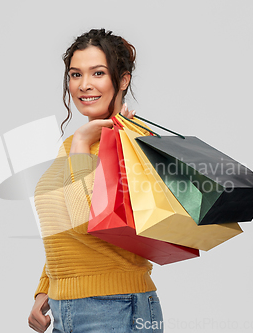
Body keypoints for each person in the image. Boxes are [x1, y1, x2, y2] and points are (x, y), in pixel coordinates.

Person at [28, 28, 164, 333]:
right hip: (68, 309)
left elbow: (86, 221)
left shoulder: (133, 141)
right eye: (75, 74)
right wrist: (46, 287)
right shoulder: (75, 144)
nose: (84, 85)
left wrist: (81, 144)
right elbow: (61, 229)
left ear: (123, 79)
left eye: (98, 73)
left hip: (115, 307)